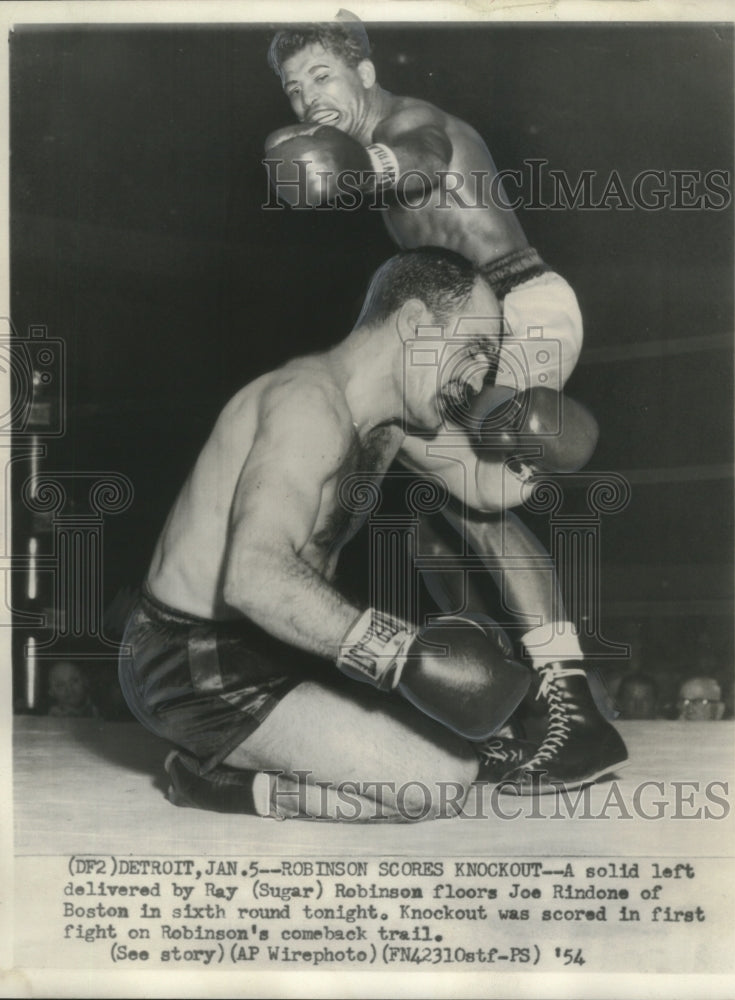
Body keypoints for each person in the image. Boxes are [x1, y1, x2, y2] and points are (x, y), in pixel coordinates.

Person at [263, 13, 627, 791]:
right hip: (456, 331)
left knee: (458, 480)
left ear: (362, 72)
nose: (306, 100)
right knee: (437, 527)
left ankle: (576, 712)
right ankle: (522, 702)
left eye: (321, 77)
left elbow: (421, 165)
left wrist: (352, 163)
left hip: (520, 301)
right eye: (294, 90)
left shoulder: (411, 120)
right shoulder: (364, 142)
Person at [119, 248, 603, 821]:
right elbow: (252, 578)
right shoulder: (306, 405)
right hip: (192, 662)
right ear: (414, 323)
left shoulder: (390, 423)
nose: (480, 377)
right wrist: (397, 653)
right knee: (437, 783)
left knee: (474, 745)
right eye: (475, 350)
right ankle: (211, 782)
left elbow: (486, 491)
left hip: (282, 642)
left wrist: (534, 442)